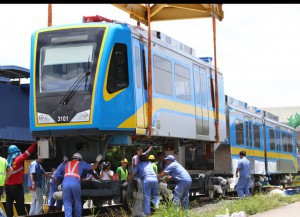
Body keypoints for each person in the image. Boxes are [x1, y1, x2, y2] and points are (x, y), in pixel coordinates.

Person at [62, 152, 102, 217]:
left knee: (67, 202)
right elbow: (94, 167)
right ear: (80, 159)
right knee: (77, 201)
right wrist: (97, 160)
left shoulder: (67, 163)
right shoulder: (82, 163)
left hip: (65, 183)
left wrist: (65, 160)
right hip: (75, 183)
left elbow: (62, 168)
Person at [5, 142, 37, 217]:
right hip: (17, 187)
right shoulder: (18, 160)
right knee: (20, 206)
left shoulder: (7, 162)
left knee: (9, 205)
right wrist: (35, 144)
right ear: (16, 152)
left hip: (7, 187)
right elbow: (27, 153)